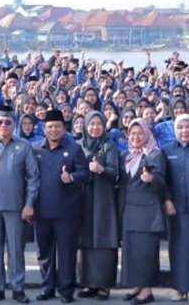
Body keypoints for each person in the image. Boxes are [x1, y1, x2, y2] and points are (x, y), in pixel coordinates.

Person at [0, 106, 39, 304]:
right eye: (0, 122)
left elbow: (33, 177)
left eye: (8, 122)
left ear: (14, 125)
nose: (3, 125)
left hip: (15, 205)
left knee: (15, 249)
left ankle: (18, 287)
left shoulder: (24, 145)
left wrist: (29, 204)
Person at [32, 110, 89, 303]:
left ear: (64, 128)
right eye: (49, 127)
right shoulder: (36, 149)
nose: (53, 130)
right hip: (41, 210)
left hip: (66, 212)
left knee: (66, 253)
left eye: (57, 126)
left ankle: (66, 290)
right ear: (44, 128)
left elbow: (85, 173)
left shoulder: (74, 149)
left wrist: (71, 177)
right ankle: (47, 287)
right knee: (44, 253)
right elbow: (29, 178)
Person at [119, 118, 167, 305]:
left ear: (147, 133)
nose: (136, 137)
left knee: (146, 252)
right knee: (132, 252)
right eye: (132, 134)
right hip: (130, 210)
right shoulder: (127, 154)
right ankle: (139, 286)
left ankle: (147, 291)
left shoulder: (154, 154)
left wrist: (151, 179)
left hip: (148, 212)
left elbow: (163, 182)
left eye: (140, 133)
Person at [77, 111, 119, 301]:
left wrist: (101, 169)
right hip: (84, 198)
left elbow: (115, 172)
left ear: (104, 126)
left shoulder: (109, 146)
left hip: (104, 198)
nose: (94, 128)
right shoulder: (79, 146)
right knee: (85, 240)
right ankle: (88, 283)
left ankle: (104, 285)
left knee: (103, 239)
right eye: (91, 124)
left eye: (98, 124)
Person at [161, 113, 189, 302]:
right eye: (181, 127)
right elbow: (163, 179)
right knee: (178, 248)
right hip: (176, 208)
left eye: (188, 127)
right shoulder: (167, 149)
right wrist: (167, 200)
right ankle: (179, 287)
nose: (185, 131)